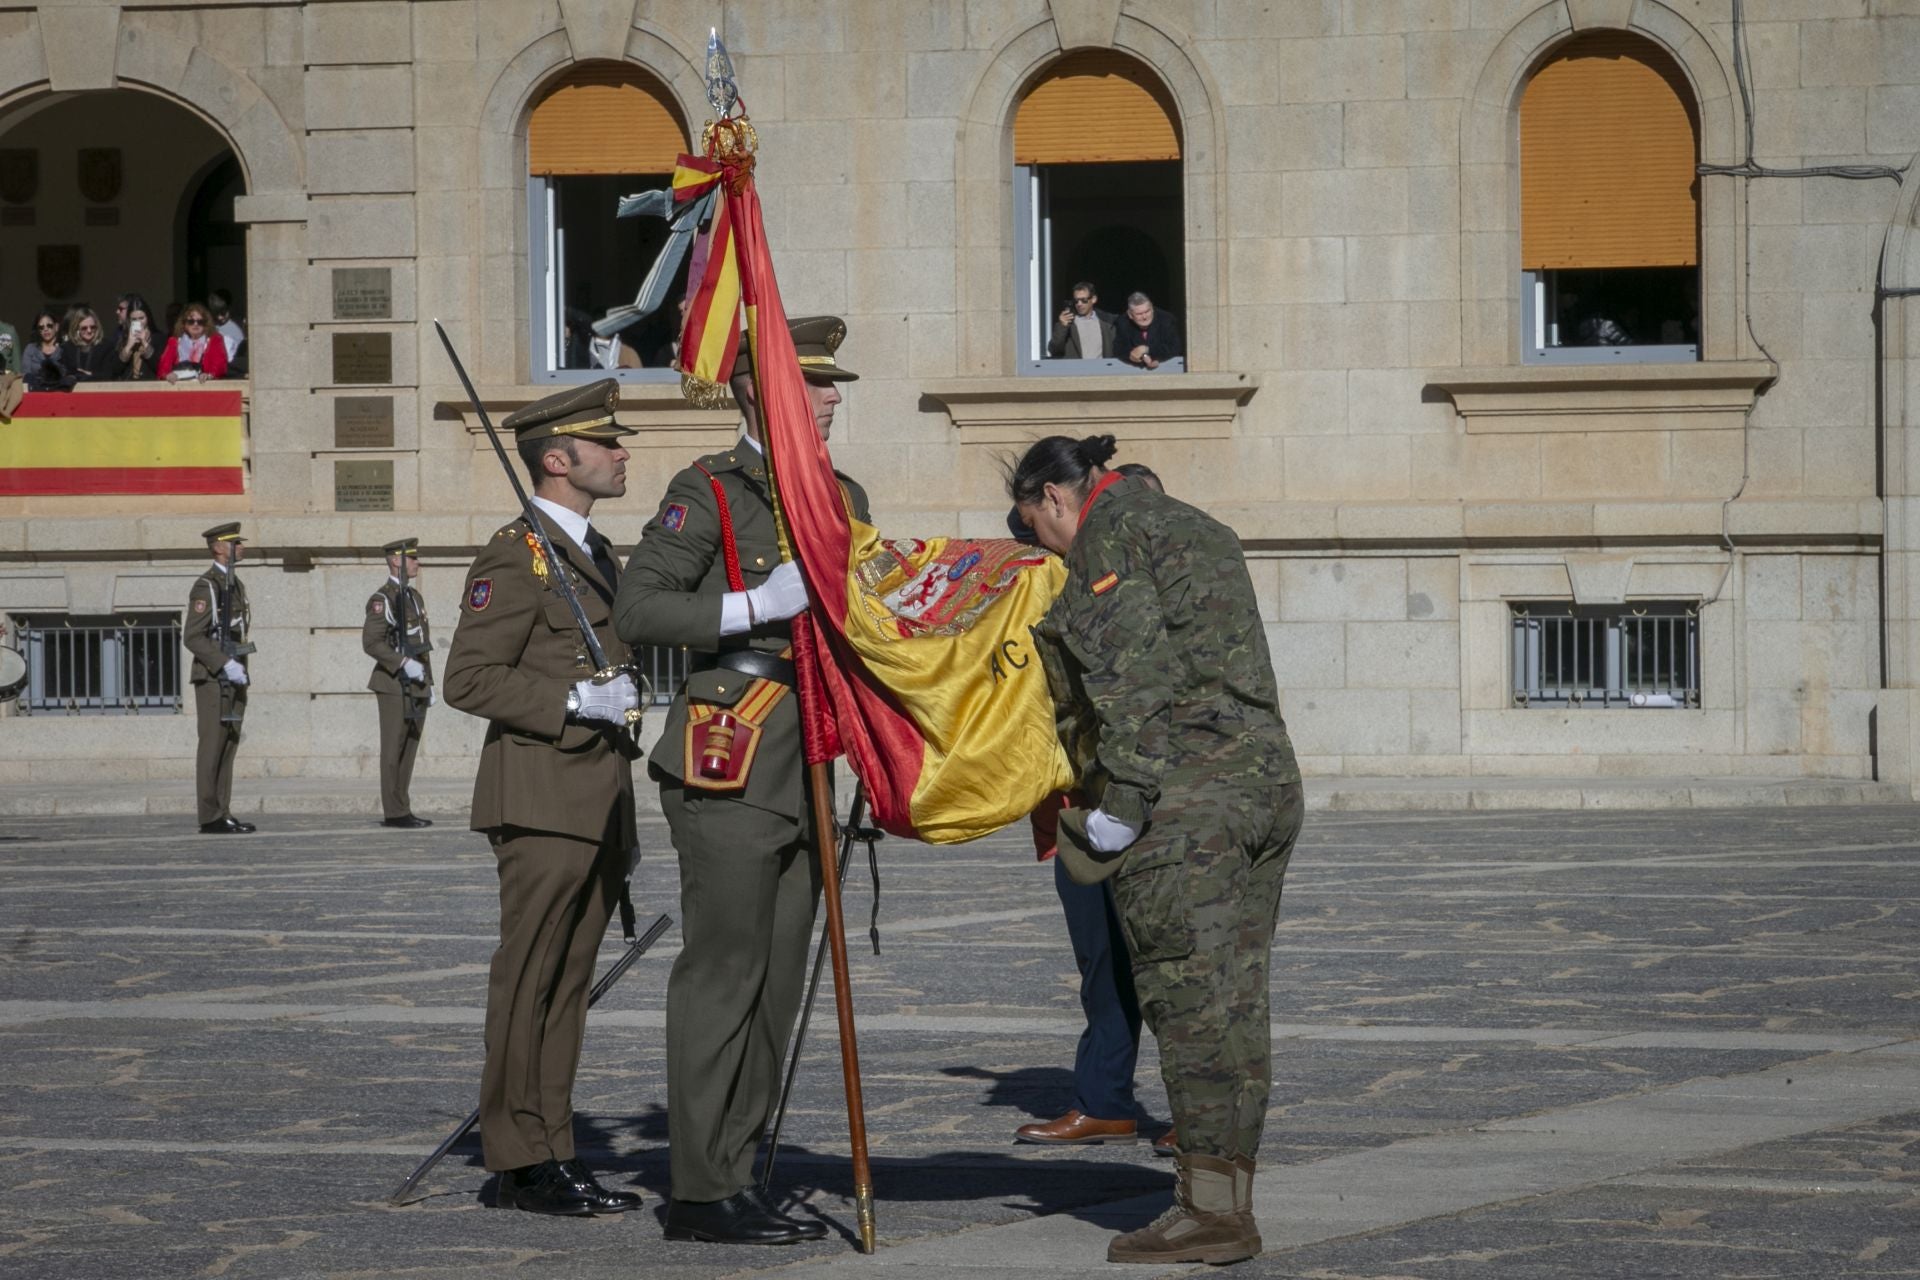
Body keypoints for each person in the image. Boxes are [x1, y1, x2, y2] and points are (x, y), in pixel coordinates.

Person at [1011, 434, 1303, 1267]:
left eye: (1035, 527)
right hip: (1262, 784)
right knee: (1238, 1001)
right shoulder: (1189, 521)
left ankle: (1209, 1213)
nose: (1042, 546)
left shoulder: (1108, 538)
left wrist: (1123, 806)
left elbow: (1128, 673)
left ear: (1055, 498)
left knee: (1187, 1004)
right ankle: (1227, 1197)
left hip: (1186, 804)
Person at [614, 315, 866, 1246]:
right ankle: (699, 1187)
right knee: (724, 971)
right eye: (818, 384)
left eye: (835, 385)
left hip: (810, 760)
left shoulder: (840, 494)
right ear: (763, 393)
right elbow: (640, 606)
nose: (835, 398)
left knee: (779, 976)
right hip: (732, 750)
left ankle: (740, 1163)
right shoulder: (708, 490)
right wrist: (753, 604)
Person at [441, 379, 644, 1219]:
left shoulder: (595, 553)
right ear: (558, 460)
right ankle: (518, 1160)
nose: (623, 451)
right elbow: (468, 677)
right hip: (540, 798)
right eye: (607, 443)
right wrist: (567, 703)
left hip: (596, 799)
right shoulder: (513, 555)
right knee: (527, 981)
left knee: (567, 984)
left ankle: (553, 1146)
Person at [1014, 459, 1173, 1156]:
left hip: (1158, 807)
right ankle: (1105, 1099)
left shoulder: (1167, 583)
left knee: (1173, 967)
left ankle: (1201, 1113)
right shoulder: (1063, 571)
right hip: (1083, 805)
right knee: (1101, 965)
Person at [182, 523, 257, 835]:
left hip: (234, 674)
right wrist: (224, 663)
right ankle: (209, 814)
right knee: (213, 744)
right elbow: (193, 636)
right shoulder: (207, 586)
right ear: (218, 548)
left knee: (229, 743)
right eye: (235, 543)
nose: (241, 547)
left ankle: (222, 810)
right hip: (213, 677)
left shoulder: (234, 584)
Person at [362, 537, 434, 830]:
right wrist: (403, 663)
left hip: (416, 681)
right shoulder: (383, 599)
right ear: (395, 561)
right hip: (392, 683)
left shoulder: (414, 597)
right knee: (394, 747)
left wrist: (429, 682)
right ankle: (394, 811)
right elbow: (372, 643)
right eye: (412, 558)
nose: (417, 563)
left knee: (410, 746)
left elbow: (422, 643)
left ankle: (402, 806)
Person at [158, 303, 229, 381]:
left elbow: (220, 365)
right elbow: (163, 366)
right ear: (184, 324)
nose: (195, 324)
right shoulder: (174, 341)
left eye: (200, 321)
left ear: (206, 324)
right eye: (191, 321)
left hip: (204, 386)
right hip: (179, 386)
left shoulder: (215, 340)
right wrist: (167, 375)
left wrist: (209, 375)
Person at [1047, 280, 1117, 360]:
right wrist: (1062, 326)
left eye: (1084, 300)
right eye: (1076, 301)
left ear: (1093, 299)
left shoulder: (1107, 324)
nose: (1079, 304)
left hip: (1101, 371)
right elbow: (1054, 349)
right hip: (1076, 371)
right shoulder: (1069, 323)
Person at [1116, 293, 1182, 369]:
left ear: (1152, 308)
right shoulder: (1123, 322)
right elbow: (1119, 349)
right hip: (1132, 370)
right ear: (1130, 315)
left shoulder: (1166, 320)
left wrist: (1147, 349)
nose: (1144, 317)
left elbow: (1175, 347)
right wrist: (1140, 356)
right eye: (1139, 314)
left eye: (1147, 311)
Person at [60, 308, 116, 386]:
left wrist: (90, 375)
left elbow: (110, 374)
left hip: (98, 390)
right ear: (76, 328)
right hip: (73, 393)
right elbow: (64, 373)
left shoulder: (106, 346)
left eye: (92, 327)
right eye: (84, 328)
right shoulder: (68, 347)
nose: (89, 331)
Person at [114, 295, 157, 381]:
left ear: (148, 318)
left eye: (141, 318)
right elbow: (115, 370)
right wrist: (128, 346)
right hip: (128, 388)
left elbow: (158, 367)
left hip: (149, 387)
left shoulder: (158, 337)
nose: (138, 322)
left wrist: (145, 343)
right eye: (134, 319)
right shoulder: (123, 338)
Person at [22, 310, 66, 392]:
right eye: (41, 327)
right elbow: (25, 375)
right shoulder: (30, 349)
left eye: (49, 325)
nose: (45, 329)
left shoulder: (65, 349)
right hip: (35, 394)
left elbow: (66, 374)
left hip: (59, 393)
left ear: (56, 327)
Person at [208, 289, 246, 369]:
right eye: (216, 314)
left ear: (229, 308)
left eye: (223, 313)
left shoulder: (237, 327)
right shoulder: (209, 326)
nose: (220, 317)